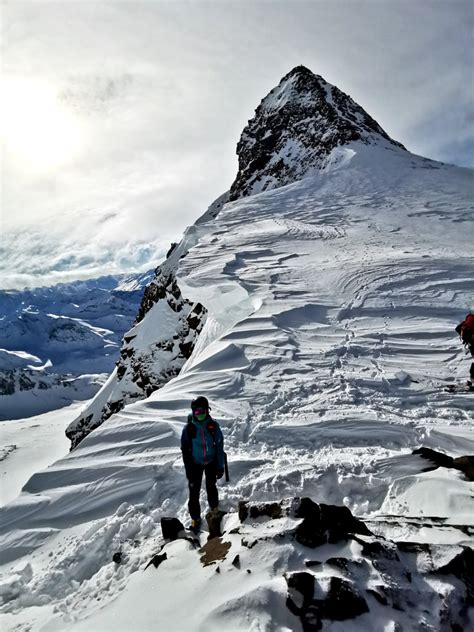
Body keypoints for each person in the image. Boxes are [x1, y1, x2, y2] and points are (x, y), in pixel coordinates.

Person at [181, 396, 225, 532]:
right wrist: (188, 469)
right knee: (194, 492)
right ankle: (195, 519)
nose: (200, 414)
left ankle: (214, 510)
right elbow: (185, 450)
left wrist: (220, 465)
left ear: (208, 410)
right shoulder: (189, 428)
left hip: (211, 461)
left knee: (211, 486)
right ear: (193, 412)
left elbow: (219, 446)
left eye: (203, 411)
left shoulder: (213, 426)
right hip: (195, 464)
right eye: (197, 412)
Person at [455, 313, 474, 387]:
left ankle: (473, 380)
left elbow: (457, 328)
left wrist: (468, 340)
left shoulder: (468, 320)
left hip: (471, 344)